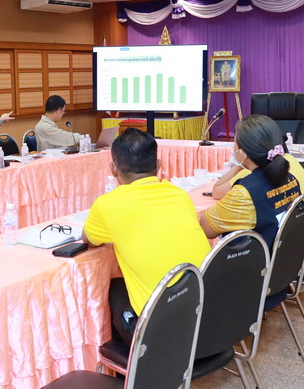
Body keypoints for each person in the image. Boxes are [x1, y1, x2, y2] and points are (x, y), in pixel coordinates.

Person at [83, 128, 210, 346]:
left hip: (163, 330)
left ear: (113, 170)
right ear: (158, 166)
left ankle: (134, 356)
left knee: (114, 288)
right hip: (207, 312)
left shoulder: (107, 204)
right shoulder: (180, 196)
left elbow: (89, 240)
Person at [200, 114, 302, 250]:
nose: (233, 148)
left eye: (235, 143)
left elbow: (206, 228)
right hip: (283, 255)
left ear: (243, 153)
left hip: (255, 260)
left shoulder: (244, 194)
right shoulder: (291, 179)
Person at [211, 126, 304, 230]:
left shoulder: (250, 174)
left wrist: (239, 165)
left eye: (235, 144)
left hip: (276, 239)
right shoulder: (289, 161)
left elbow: (216, 192)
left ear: (244, 152)